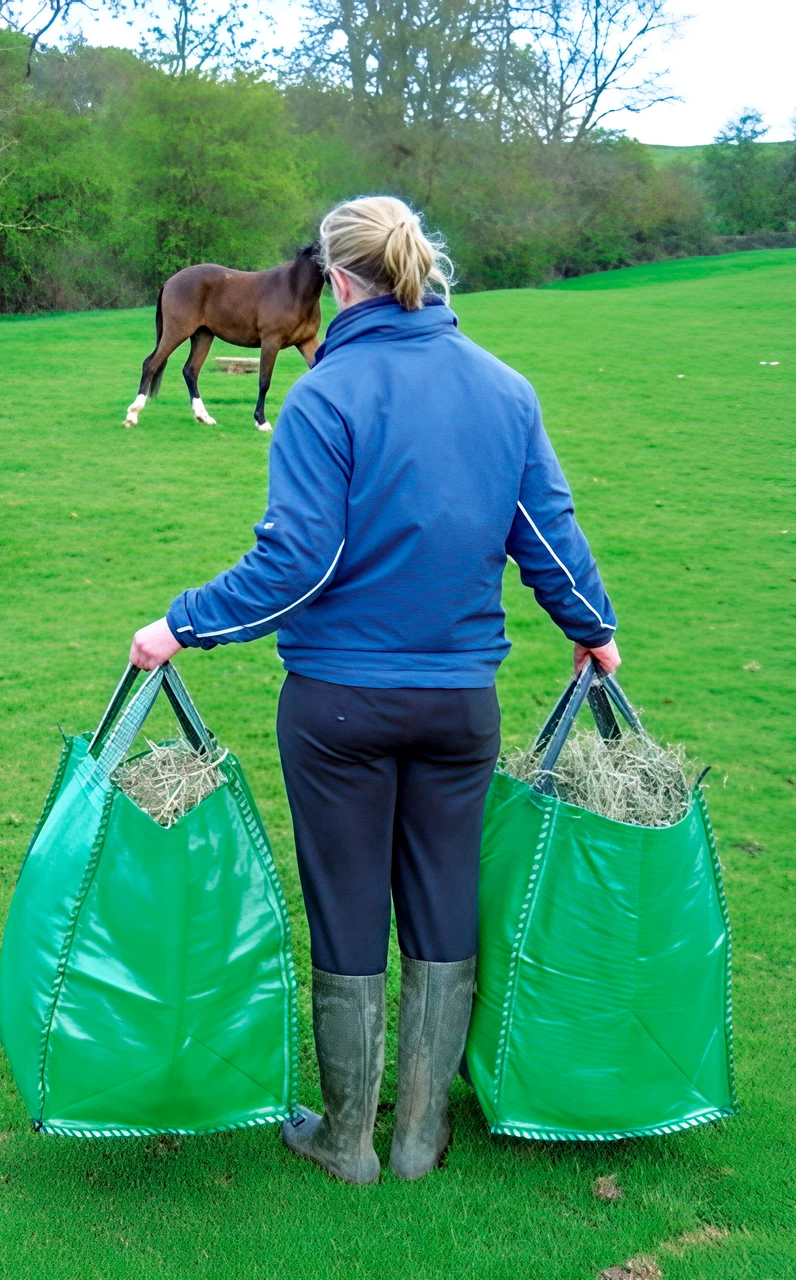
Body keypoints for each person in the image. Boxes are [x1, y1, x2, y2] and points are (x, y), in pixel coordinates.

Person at [129, 194, 620, 1185]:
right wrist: (592, 631)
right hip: (455, 702)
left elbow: (295, 567)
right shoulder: (503, 388)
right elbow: (550, 540)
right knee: (441, 894)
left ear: (336, 281)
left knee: (348, 901)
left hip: (337, 706)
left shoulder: (322, 394)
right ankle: (417, 1136)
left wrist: (178, 622)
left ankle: (347, 1136)